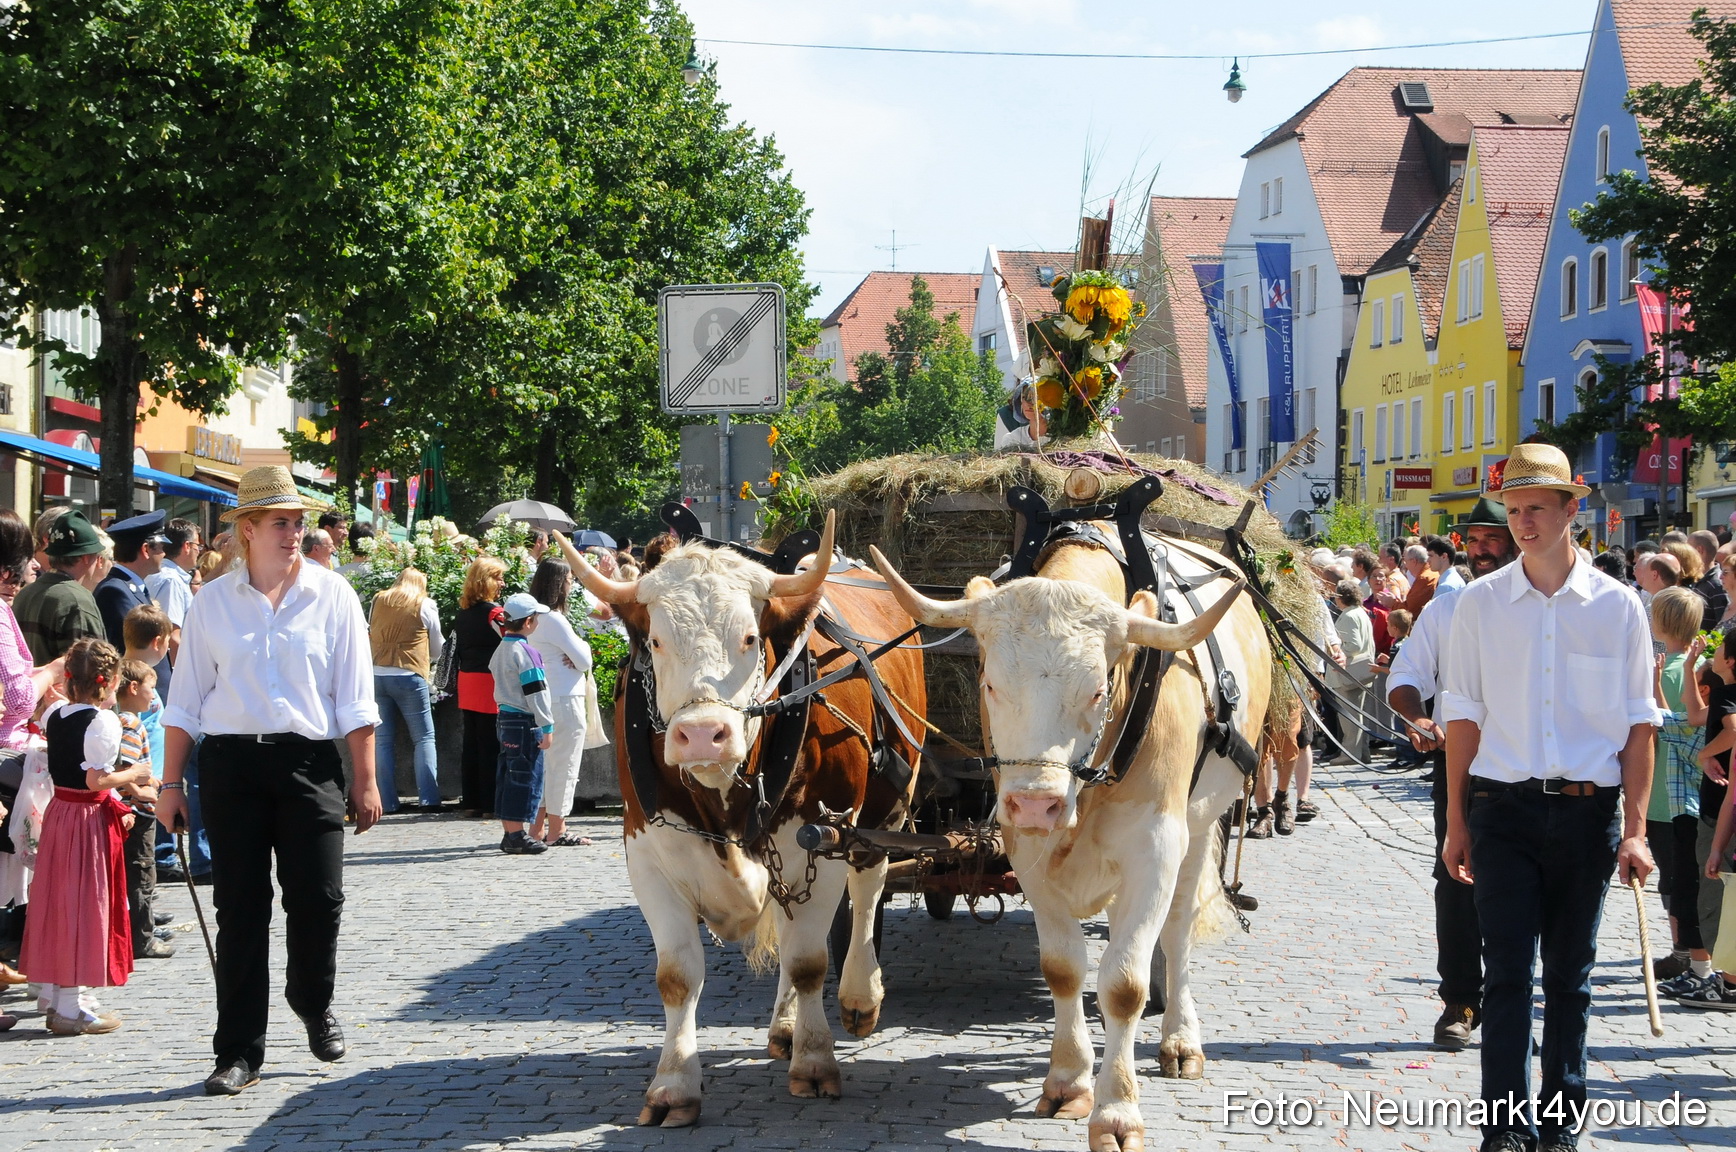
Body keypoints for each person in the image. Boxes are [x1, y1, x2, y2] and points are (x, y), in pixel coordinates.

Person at [1439, 444, 1659, 1152]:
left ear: (1573, 509)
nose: (1523, 522)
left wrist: (1635, 829)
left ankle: (1561, 1128)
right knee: (1505, 974)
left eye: (1537, 508)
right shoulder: (1479, 604)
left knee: (1572, 977)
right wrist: (1456, 819)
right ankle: (1504, 1127)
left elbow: (1638, 726)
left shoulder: (1618, 608)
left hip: (1587, 814)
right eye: (1515, 509)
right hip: (1501, 807)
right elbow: (1464, 717)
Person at [156, 465, 382, 1096]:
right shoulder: (211, 604)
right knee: (241, 911)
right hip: (231, 768)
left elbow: (355, 700)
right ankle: (237, 1051)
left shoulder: (334, 594)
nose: (293, 532)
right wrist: (171, 786)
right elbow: (185, 703)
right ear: (247, 530)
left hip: (309, 765)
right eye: (281, 522)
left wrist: (364, 780)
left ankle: (311, 999)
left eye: (298, 521)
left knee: (319, 900)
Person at [1387, 496, 1516, 1052]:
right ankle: (1461, 999)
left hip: (1531, 767)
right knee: (1456, 879)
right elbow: (1406, 674)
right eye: (1475, 539)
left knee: (1520, 885)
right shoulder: (1446, 608)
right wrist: (1417, 715)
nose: (1483, 549)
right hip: (1460, 764)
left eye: (1493, 538)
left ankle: (1513, 996)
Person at [18, 638, 146, 1034]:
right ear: (107, 683)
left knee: (59, 900)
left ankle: (55, 995)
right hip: (85, 819)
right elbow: (96, 779)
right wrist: (134, 775)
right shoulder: (103, 721)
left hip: (61, 813)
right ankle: (71, 1006)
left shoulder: (57, 712)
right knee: (84, 904)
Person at [1645, 590, 1709, 987]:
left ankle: (1683, 952)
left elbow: (1664, 722)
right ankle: (1684, 951)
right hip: (1679, 791)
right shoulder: (1699, 663)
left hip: (1666, 793)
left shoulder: (1669, 669)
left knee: (1677, 878)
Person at [526, 553, 597, 847]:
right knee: (565, 766)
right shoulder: (554, 619)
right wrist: (581, 649)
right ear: (559, 584)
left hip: (542, 698)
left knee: (545, 766)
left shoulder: (532, 618)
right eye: (569, 580)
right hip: (566, 698)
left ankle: (538, 828)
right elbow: (583, 660)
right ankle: (558, 829)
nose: (571, 585)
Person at [370, 567, 444, 813]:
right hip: (409, 674)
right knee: (424, 738)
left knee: (382, 741)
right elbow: (437, 646)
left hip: (377, 673)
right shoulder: (424, 604)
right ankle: (429, 799)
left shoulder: (378, 599)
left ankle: (387, 802)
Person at [114, 657, 172, 961]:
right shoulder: (131, 723)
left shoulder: (121, 720)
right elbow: (125, 766)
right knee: (141, 873)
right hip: (136, 811)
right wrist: (143, 792)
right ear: (134, 688)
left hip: (133, 807)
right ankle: (142, 938)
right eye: (151, 687)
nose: (154, 694)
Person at [489, 593, 553, 856]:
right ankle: (517, 835)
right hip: (524, 721)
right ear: (528, 622)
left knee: (509, 774)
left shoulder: (502, 648)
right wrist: (547, 726)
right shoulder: (527, 652)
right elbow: (537, 693)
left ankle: (510, 831)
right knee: (524, 776)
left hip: (504, 718)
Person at [13, 510, 107, 664]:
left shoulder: (25, 594)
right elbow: (91, 670)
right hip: (59, 687)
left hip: (29, 685)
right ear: (85, 557)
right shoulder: (77, 601)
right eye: (97, 556)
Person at [454, 557, 507, 816]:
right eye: (498, 578)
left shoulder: (463, 612)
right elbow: (514, 641)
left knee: (472, 743)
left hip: (467, 679)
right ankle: (490, 803)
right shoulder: (495, 613)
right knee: (490, 744)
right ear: (487, 581)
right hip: (489, 681)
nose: (502, 583)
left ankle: (471, 801)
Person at [93, 511, 167, 654]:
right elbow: (126, 649)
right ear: (146, 549)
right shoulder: (115, 591)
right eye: (161, 547)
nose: (164, 553)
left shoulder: (128, 586)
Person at [1325, 580, 1376, 767]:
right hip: (1362, 671)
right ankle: (1362, 752)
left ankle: (1350, 753)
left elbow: (1352, 645)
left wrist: (1335, 651)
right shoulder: (1361, 612)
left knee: (1348, 716)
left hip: (1348, 673)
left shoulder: (1348, 616)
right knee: (1358, 714)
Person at [144, 517, 200, 635]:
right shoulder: (172, 581)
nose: (199, 551)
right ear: (187, 546)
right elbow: (172, 636)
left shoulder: (161, 574)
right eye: (197, 545)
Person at [993, 381, 1046, 451]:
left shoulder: (1058, 435)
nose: (1028, 404)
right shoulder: (1012, 439)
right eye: (1024, 397)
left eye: (1036, 397)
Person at [1401, 543, 1436, 617]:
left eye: (1405, 561)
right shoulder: (1432, 571)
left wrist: (1392, 603)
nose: (1404, 565)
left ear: (1414, 561)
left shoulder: (1424, 579)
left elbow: (1409, 610)